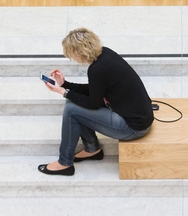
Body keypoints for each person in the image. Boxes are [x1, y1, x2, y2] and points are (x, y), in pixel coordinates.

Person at [39, 28, 154, 176]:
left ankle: (64, 163)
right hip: (139, 117)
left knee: (71, 109)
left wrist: (63, 92)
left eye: (71, 54)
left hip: (133, 127)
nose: (72, 58)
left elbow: (92, 103)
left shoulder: (97, 69)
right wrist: (65, 84)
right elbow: (96, 90)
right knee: (73, 104)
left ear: (79, 51)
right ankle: (92, 149)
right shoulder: (106, 54)